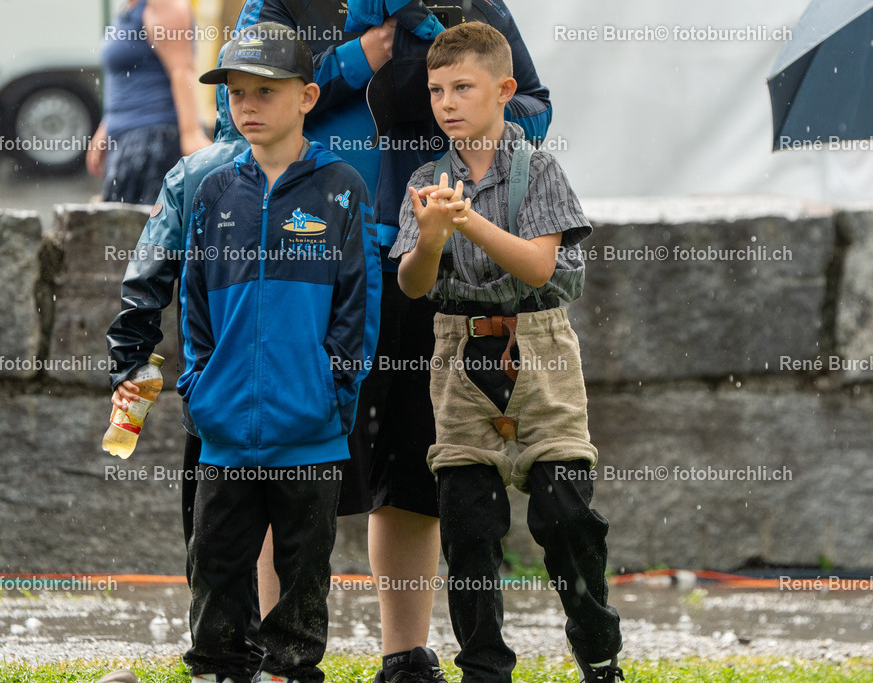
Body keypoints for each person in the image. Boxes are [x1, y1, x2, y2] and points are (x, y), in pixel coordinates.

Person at [232, 3, 551, 682]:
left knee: (414, 461)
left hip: (426, 256)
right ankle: (280, 654)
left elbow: (536, 108)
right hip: (309, 260)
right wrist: (361, 57)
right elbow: (248, 92)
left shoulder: (465, 3)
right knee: (289, 459)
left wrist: (461, 100)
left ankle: (404, 654)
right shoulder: (288, 6)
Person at [390, 22, 624, 683]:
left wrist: (467, 221)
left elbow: (538, 262)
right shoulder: (425, 179)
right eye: (437, 90)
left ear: (503, 90)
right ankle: (485, 667)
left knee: (565, 514)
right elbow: (413, 283)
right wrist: (432, 236)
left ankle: (598, 646)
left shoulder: (540, 169)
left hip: (540, 350)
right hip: (459, 356)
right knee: (469, 525)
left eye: (463, 87)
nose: (447, 102)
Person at [178, 21, 381, 683]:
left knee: (302, 584)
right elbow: (193, 307)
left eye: (266, 91)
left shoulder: (342, 187)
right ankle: (218, 670)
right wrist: (199, 391)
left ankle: (290, 673)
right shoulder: (212, 192)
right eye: (237, 92)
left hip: (311, 432)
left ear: (308, 96)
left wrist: (334, 395)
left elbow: (358, 305)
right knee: (214, 572)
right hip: (225, 433)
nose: (248, 106)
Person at [87, 0, 213, 204]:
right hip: (128, 140)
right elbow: (126, 77)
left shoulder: (163, 4)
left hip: (156, 141)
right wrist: (105, 129)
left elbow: (182, 69)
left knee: (147, 231)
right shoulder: (130, 6)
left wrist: (191, 135)